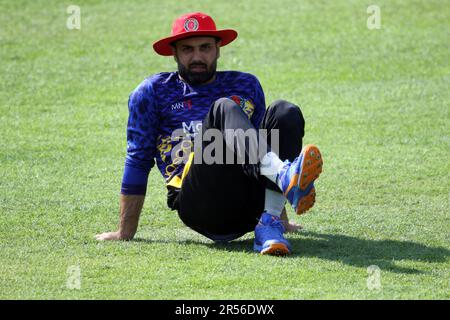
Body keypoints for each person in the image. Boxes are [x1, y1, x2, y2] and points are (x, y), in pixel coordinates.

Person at [95, 12, 323, 256]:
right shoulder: (152, 92)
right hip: (199, 203)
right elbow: (138, 160)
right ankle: (286, 176)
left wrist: (283, 218)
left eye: (205, 47)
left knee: (284, 111)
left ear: (218, 49)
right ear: (174, 53)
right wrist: (124, 232)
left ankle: (271, 223)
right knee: (223, 107)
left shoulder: (246, 85)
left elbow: (264, 148)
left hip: (248, 202)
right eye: (187, 49)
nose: (197, 57)